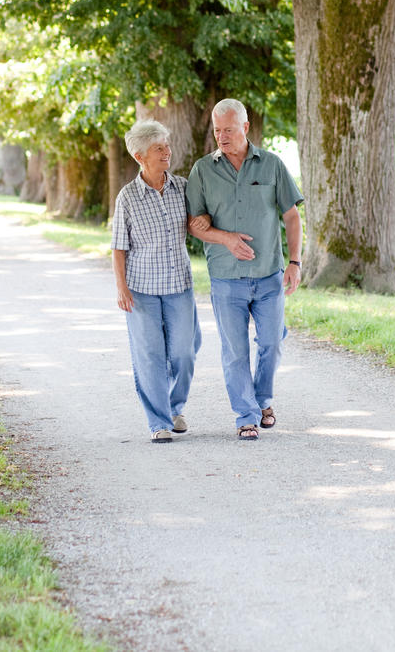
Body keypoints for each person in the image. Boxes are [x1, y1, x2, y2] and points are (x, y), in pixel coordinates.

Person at [186, 98, 303, 441]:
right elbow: (195, 223)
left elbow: (292, 216)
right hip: (226, 278)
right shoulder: (203, 170)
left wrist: (295, 262)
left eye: (228, 130)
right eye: (217, 130)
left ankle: (262, 399)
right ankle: (246, 416)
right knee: (235, 351)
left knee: (272, 343)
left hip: (269, 274)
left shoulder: (271, 165)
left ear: (245, 128)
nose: (221, 136)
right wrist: (225, 238)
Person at [111, 120, 202, 444]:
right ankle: (158, 422)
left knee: (184, 353)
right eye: (158, 148)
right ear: (140, 156)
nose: (167, 152)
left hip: (178, 285)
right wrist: (121, 287)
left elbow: (199, 222)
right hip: (142, 290)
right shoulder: (128, 198)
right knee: (149, 355)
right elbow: (119, 247)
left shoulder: (182, 187)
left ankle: (175, 408)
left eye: (166, 146)